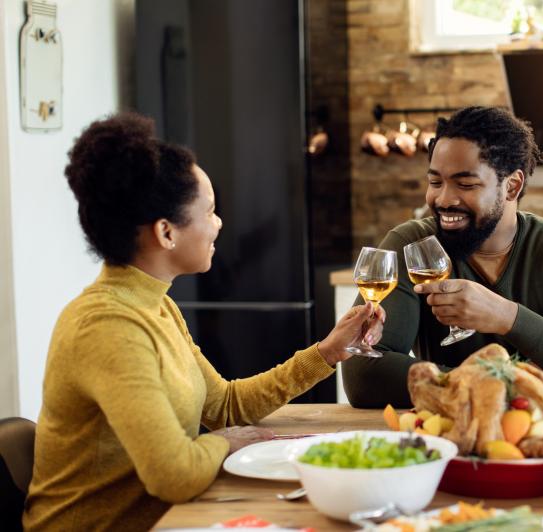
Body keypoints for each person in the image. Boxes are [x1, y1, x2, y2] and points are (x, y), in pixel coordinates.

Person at [22, 113, 384, 531]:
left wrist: (327, 352)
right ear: (166, 232)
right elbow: (175, 475)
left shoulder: (156, 306)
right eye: (209, 211)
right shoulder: (107, 327)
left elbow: (225, 405)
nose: (219, 223)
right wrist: (222, 443)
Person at [342, 106, 543, 408]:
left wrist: (506, 316)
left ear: (512, 186)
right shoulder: (412, 245)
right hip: (448, 439)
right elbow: (363, 376)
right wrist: (494, 387)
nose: (443, 199)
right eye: (435, 182)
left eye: (466, 184)